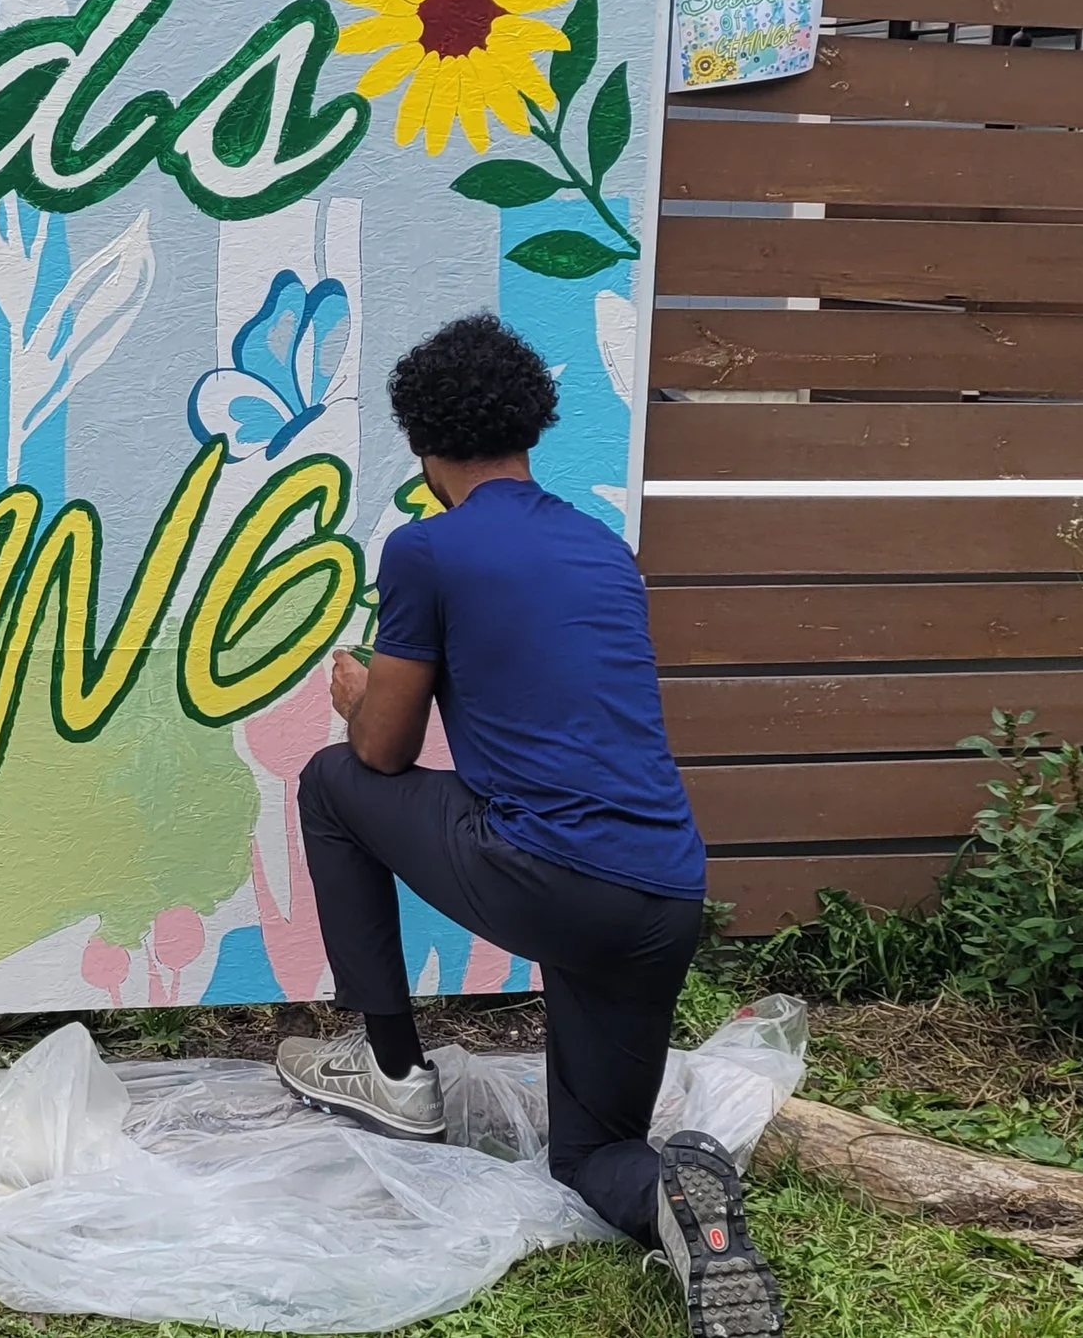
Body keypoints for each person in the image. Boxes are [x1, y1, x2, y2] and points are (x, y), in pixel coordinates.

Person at [272, 314, 782, 1338]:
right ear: (528, 429)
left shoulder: (425, 550)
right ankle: (682, 1210)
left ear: (423, 444)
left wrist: (355, 689)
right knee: (592, 1154)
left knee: (331, 784)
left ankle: (392, 1072)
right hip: (663, 895)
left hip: (547, 877)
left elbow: (382, 753)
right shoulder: (599, 549)